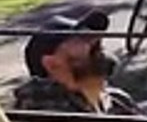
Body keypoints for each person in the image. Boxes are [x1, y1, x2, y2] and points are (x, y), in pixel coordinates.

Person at [11, 10, 140, 115]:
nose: (96, 42)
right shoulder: (40, 110)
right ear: (51, 64)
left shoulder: (119, 101)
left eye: (92, 37)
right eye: (81, 39)